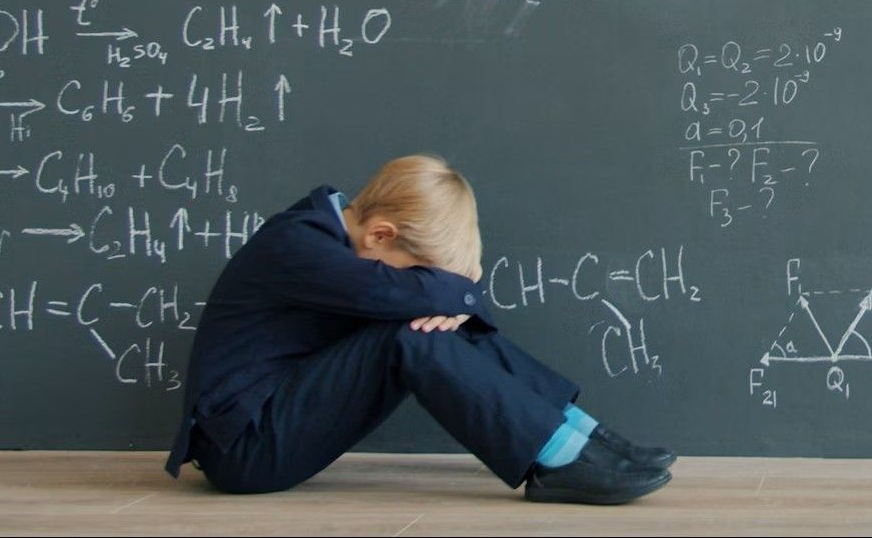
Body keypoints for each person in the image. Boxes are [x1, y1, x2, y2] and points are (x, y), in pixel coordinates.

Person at [165, 154, 675, 504]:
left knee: (426, 325)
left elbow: (433, 301)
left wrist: (453, 299)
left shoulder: (338, 236)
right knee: (408, 334)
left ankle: (578, 435)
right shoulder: (299, 246)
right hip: (244, 451)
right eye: (416, 273)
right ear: (380, 234)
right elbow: (406, 297)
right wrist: (463, 292)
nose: (412, 282)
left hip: (274, 420)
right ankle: (556, 457)